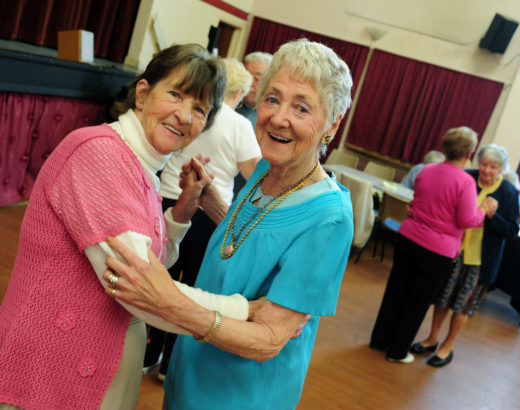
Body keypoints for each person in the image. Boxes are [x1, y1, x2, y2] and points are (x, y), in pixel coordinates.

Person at [102, 38, 354, 409]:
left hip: (239, 395)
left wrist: (169, 303)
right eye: (272, 98)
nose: (278, 117)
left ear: (333, 123)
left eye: (301, 108)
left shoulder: (328, 216)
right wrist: (210, 202)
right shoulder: (269, 167)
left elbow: (268, 339)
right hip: (191, 375)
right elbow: (254, 237)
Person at [0, 44, 255, 410]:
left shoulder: (140, 168)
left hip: (95, 366)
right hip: (47, 374)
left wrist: (180, 215)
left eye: (199, 108)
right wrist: (241, 312)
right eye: (175, 94)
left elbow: (150, 263)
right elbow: (139, 287)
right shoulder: (98, 153)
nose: (184, 115)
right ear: (142, 93)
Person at [144, 58, 261, 380]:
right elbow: (255, 178)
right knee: (193, 286)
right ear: (238, 92)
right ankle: (170, 366)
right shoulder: (238, 125)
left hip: (168, 196)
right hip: (209, 211)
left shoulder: (194, 115)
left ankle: (146, 352)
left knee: (159, 275)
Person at [369, 126, 498, 364]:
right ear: (470, 152)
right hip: (437, 250)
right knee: (418, 300)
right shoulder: (466, 182)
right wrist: (484, 209)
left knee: (396, 291)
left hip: (408, 238)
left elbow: (417, 201)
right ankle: (396, 351)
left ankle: (379, 340)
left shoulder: (425, 170)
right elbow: (466, 220)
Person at [411, 144, 520, 367]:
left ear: (501, 169)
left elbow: (511, 232)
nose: (487, 170)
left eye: (493, 167)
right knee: (442, 298)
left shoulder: (509, 193)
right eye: (483, 165)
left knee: (462, 305)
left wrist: (493, 215)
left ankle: (447, 345)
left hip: (481, 260)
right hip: (453, 251)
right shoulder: (467, 178)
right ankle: (432, 338)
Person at [235, 51, 273, 130]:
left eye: (257, 79)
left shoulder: (271, 117)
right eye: (246, 75)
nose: (249, 82)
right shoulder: (227, 103)